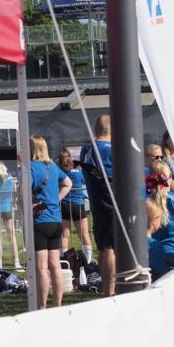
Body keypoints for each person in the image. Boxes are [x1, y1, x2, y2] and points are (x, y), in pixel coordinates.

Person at [30, 136, 72, 309]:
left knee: (41, 267)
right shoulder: (53, 166)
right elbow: (68, 183)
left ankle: (42, 307)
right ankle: (57, 304)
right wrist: (56, 199)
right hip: (55, 221)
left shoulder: (30, 167)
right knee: (55, 265)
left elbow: (25, 191)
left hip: (39, 221)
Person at [79, 115, 116, 296]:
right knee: (110, 248)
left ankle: (105, 289)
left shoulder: (86, 149)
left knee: (102, 248)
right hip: (111, 204)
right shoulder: (112, 150)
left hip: (97, 204)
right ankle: (110, 290)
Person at [58, 150, 92, 262]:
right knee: (84, 234)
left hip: (64, 205)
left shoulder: (59, 172)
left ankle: (65, 262)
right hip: (78, 205)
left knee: (65, 236)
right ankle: (88, 261)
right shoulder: (78, 172)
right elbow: (84, 180)